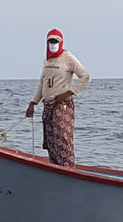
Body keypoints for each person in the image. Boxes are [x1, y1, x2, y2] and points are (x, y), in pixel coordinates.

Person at [25, 29, 91, 166]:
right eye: (51, 41)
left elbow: (85, 77)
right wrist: (33, 103)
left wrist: (70, 92)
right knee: (51, 142)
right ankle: (54, 167)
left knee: (62, 139)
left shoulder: (69, 59)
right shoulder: (47, 60)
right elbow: (42, 83)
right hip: (48, 105)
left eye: (56, 41)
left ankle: (67, 169)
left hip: (62, 105)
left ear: (61, 42)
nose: (53, 44)